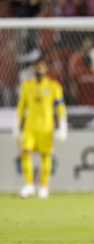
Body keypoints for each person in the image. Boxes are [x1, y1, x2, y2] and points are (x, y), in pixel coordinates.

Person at [14, 57, 68, 199]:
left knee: (45, 156)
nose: (39, 69)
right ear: (33, 68)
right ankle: (29, 186)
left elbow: (60, 107)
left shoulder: (53, 86)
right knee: (25, 153)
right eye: (37, 66)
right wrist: (17, 127)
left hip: (46, 127)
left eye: (41, 66)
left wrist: (62, 127)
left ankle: (44, 187)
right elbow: (21, 107)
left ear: (46, 69)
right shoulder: (26, 85)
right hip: (30, 128)